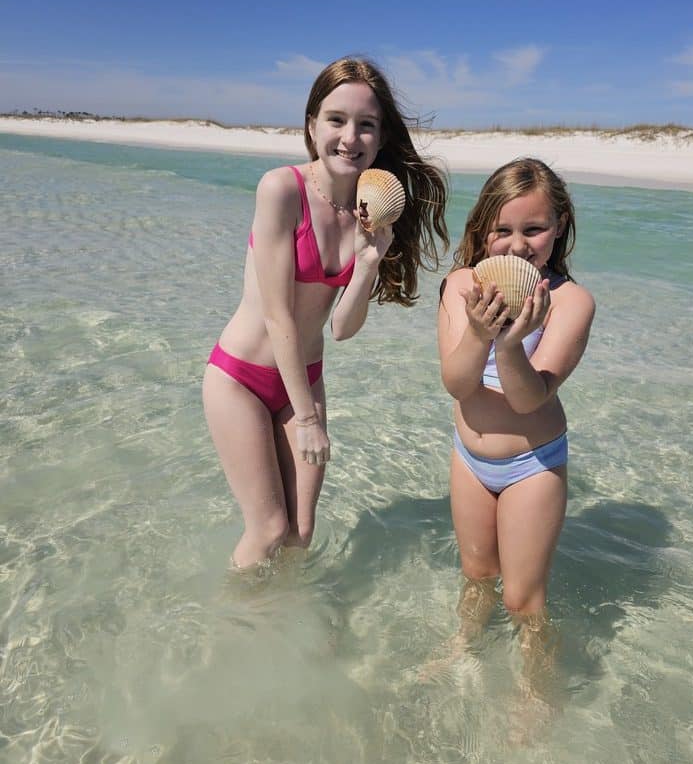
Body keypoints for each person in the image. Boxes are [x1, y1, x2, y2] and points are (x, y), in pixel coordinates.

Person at [204, 56, 449, 571]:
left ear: (380, 139)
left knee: (300, 532)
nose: (349, 137)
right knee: (268, 528)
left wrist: (366, 265)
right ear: (312, 125)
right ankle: (234, 627)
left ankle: (286, 621)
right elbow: (279, 317)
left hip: (305, 377)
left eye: (366, 125)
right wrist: (310, 420)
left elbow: (339, 329)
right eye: (336, 119)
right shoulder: (282, 189)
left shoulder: (368, 207)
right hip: (240, 380)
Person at [436, 158, 595, 693]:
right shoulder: (461, 283)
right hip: (470, 456)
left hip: (533, 464)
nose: (517, 244)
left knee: (522, 600)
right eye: (502, 230)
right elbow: (458, 384)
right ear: (482, 230)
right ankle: (465, 645)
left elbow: (529, 399)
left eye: (534, 229)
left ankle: (535, 689)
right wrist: (480, 332)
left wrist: (508, 343)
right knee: (477, 575)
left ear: (559, 227)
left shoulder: (570, 302)